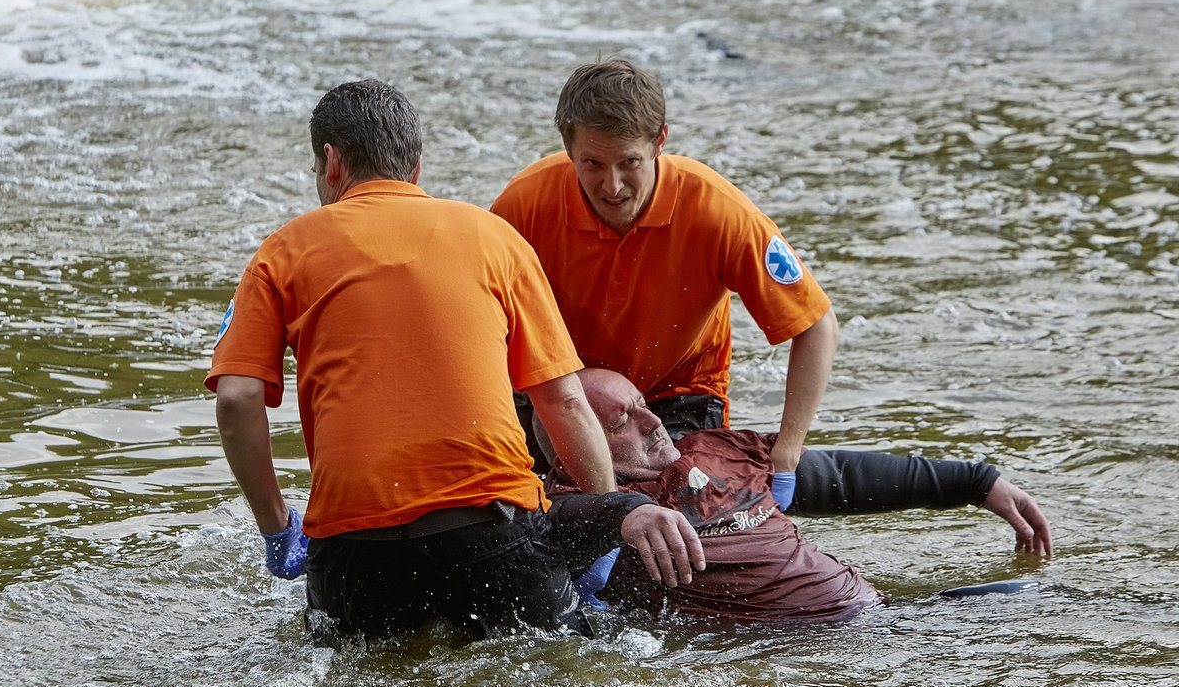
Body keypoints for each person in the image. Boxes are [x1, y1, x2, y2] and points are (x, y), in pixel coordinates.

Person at [205, 80, 703, 642]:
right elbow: (562, 399)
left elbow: (238, 398)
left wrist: (276, 528)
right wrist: (601, 525)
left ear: (331, 161)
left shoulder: (281, 252)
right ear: (416, 167)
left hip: (352, 546)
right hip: (493, 532)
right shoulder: (494, 238)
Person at [491, 57, 839, 490]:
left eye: (629, 162)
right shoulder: (523, 206)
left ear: (660, 142)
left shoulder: (718, 212)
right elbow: (479, 331)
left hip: (674, 397)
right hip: (559, 394)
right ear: (568, 149)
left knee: (675, 513)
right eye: (593, 164)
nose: (612, 187)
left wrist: (787, 450)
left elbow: (816, 325)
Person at [540, 369, 1053, 622]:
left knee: (1046, 604)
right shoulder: (565, 505)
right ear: (573, 446)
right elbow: (551, 532)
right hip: (793, 652)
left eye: (642, 404)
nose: (653, 422)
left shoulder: (716, 447)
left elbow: (840, 475)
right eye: (621, 422)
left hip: (886, 617)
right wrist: (620, 512)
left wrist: (976, 482)